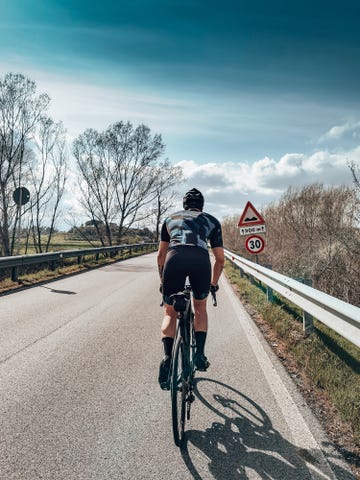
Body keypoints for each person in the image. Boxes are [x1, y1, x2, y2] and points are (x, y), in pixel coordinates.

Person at [157, 188, 225, 389]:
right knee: (200, 307)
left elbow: (161, 256)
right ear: (202, 205)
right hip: (200, 261)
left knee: (169, 311)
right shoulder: (211, 221)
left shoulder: (170, 219)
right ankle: (199, 354)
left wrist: (163, 281)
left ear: (184, 205)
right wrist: (213, 284)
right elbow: (220, 259)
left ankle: (167, 358)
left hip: (174, 259)